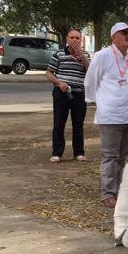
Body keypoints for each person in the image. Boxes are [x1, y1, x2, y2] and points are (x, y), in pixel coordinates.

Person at [84, 22, 128, 208]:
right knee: (110, 156)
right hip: (111, 115)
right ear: (114, 37)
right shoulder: (103, 55)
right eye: (124, 33)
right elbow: (90, 80)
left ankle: (118, 190)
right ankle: (107, 194)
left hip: (127, 114)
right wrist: (94, 100)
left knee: (122, 156)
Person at [46, 29, 90, 163]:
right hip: (61, 93)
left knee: (78, 124)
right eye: (72, 37)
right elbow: (49, 73)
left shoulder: (85, 55)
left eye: (77, 38)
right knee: (59, 123)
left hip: (79, 93)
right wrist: (59, 82)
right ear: (67, 39)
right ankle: (57, 153)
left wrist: (81, 56)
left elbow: (91, 71)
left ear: (81, 40)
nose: (75, 40)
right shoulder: (59, 54)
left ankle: (79, 152)